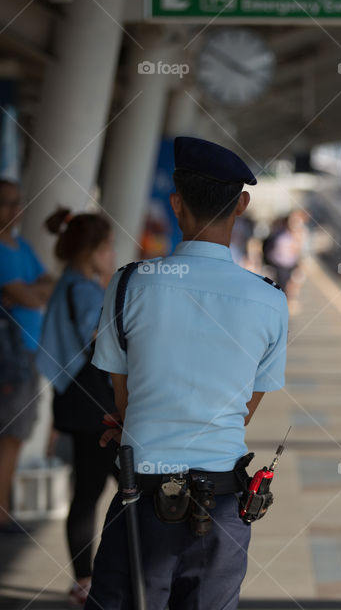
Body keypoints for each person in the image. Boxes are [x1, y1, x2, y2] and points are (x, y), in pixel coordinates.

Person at [86, 137, 288, 610]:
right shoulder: (270, 301)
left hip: (142, 499)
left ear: (177, 204)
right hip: (221, 509)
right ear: (242, 203)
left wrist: (138, 423)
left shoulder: (129, 284)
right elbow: (242, 412)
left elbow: (124, 401)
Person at [37, 208, 117, 606]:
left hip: (78, 398)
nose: (112, 256)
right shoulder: (82, 287)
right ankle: (86, 580)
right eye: (108, 248)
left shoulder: (70, 282)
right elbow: (99, 338)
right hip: (92, 402)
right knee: (95, 489)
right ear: (94, 251)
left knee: (92, 488)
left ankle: (86, 578)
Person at [0, 178, 54, 534]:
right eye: (5, 203)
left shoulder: (20, 245)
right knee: (9, 433)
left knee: (17, 433)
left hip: (26, 351)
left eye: (17, 202)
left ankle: (0, 512)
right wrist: (32, 292)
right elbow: (30, 297)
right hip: (8, 354)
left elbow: (46, 286)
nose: (13, 210)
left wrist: (32, 291)